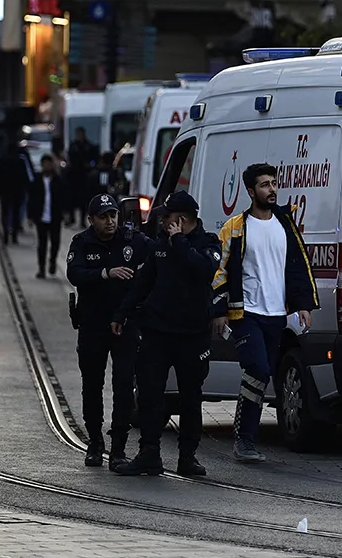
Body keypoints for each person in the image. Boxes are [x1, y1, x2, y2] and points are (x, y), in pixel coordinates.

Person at [212, 163, 318, 463]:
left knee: (262, 375)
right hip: (246, 314)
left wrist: (303, 304)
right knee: (257, 369)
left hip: (276, 315)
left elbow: (298, 265)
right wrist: (219, 311)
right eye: (264, 185)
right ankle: (244, 438)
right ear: (251, 191)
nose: (272, 190)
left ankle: (246, 438)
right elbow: (220, 271)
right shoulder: (235, 227)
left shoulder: (285, 224)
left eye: (274, 183)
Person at [112, 191, 222, 477]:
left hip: (192, 335)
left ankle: (188, 456)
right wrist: (122, 313)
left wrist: (180, 241)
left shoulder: (209, 243)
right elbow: (143, 283)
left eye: (167, 217)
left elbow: (204, 270)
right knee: (149, 395)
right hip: (157, 333)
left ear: (181, 220)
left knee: (191, 397)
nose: (162, 222)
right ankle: (149, 453)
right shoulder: (159, 245)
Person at [66, 193, 150, 471]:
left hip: (125, 323)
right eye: (103, 217)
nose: (110, 221)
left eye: (113, 215)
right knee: (92, 384)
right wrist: (105, 273)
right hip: (92, 323)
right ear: (91, 219)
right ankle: (94, 443)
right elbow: (74, 273)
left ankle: (118, 448)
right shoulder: (82, 242)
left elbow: (154, 261)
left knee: (124, 384)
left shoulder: (132, 240)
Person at [29, 154, 68, 279]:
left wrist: (66, 213)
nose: (47, 166)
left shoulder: (58, 180)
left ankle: (52, 261)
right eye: (45, 164)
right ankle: (41, 268)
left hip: (55, 216)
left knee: (55, 242)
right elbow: (32, 198)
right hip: (41, 216)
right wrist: (31, 215)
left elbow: (64, 197)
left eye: (49, 164)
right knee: (42, 243)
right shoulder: (37, 180)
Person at [65, 127, 100, 224]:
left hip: (84, 176)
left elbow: (94, 159)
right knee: (72, 199)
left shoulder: (88, 146)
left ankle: (82, 220)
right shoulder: (73, 146)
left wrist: (90, 165)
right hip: (73, 176)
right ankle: (72, 218)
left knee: (83, 200)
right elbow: (70, 159)